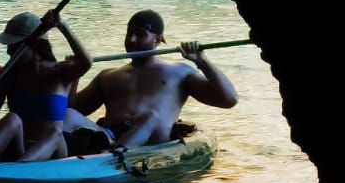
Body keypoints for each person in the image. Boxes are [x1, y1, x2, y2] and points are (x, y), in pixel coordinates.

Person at [66, 8, 238, 148]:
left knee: (150, 117)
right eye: (129, 33)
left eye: (140, 34)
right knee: (68, 114)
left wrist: (202, 61)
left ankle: (117, 154)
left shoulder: (179, 72)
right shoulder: (108, 75)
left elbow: (228, 100)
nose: (132, 40)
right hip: (110, 137)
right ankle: (108, 151)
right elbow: (74, 109)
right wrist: (75, 73)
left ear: (158, 39)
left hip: (153, 140)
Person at [0, 8, 94, 162]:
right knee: (11, 118)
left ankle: (20, 167)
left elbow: (86, 63)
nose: (9, 51)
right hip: (20, 147)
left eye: (14, 46)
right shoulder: (7, 75)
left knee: (55, 133)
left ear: (34, 44)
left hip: (53, 149)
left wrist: (62, 26)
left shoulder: (61, 71)